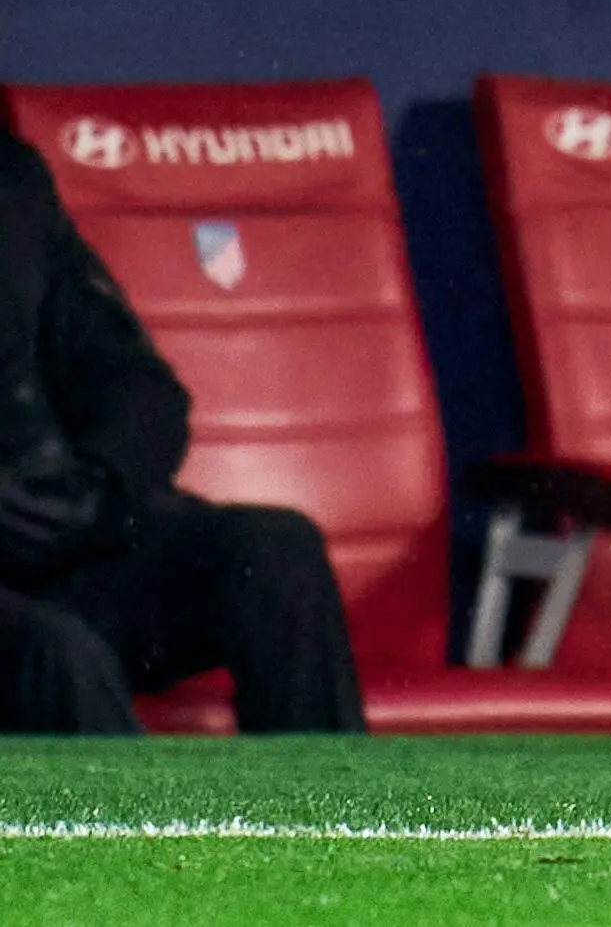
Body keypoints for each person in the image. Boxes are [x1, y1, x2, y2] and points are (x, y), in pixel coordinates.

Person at [0, 129, 363, 735]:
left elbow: (132, 378)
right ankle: (150, 835)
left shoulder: (12, 180)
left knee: (274, 549)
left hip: (66, 548)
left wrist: (101, 487)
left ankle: (334, 823)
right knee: (57, 656)